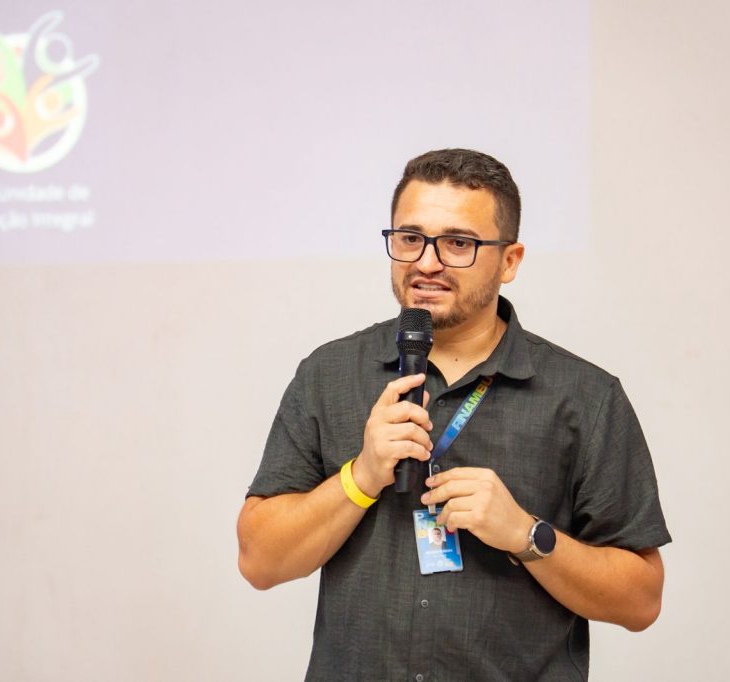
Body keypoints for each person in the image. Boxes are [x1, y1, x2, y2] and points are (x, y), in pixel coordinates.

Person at [237, 148, 671, 680]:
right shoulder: (328, 374)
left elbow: (640, 601)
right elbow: (260, 561)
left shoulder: (584, 397)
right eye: (410, 238)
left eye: (458, 244)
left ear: (510, 261)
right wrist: (361, 477)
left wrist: (525, 535)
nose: (426, 262)